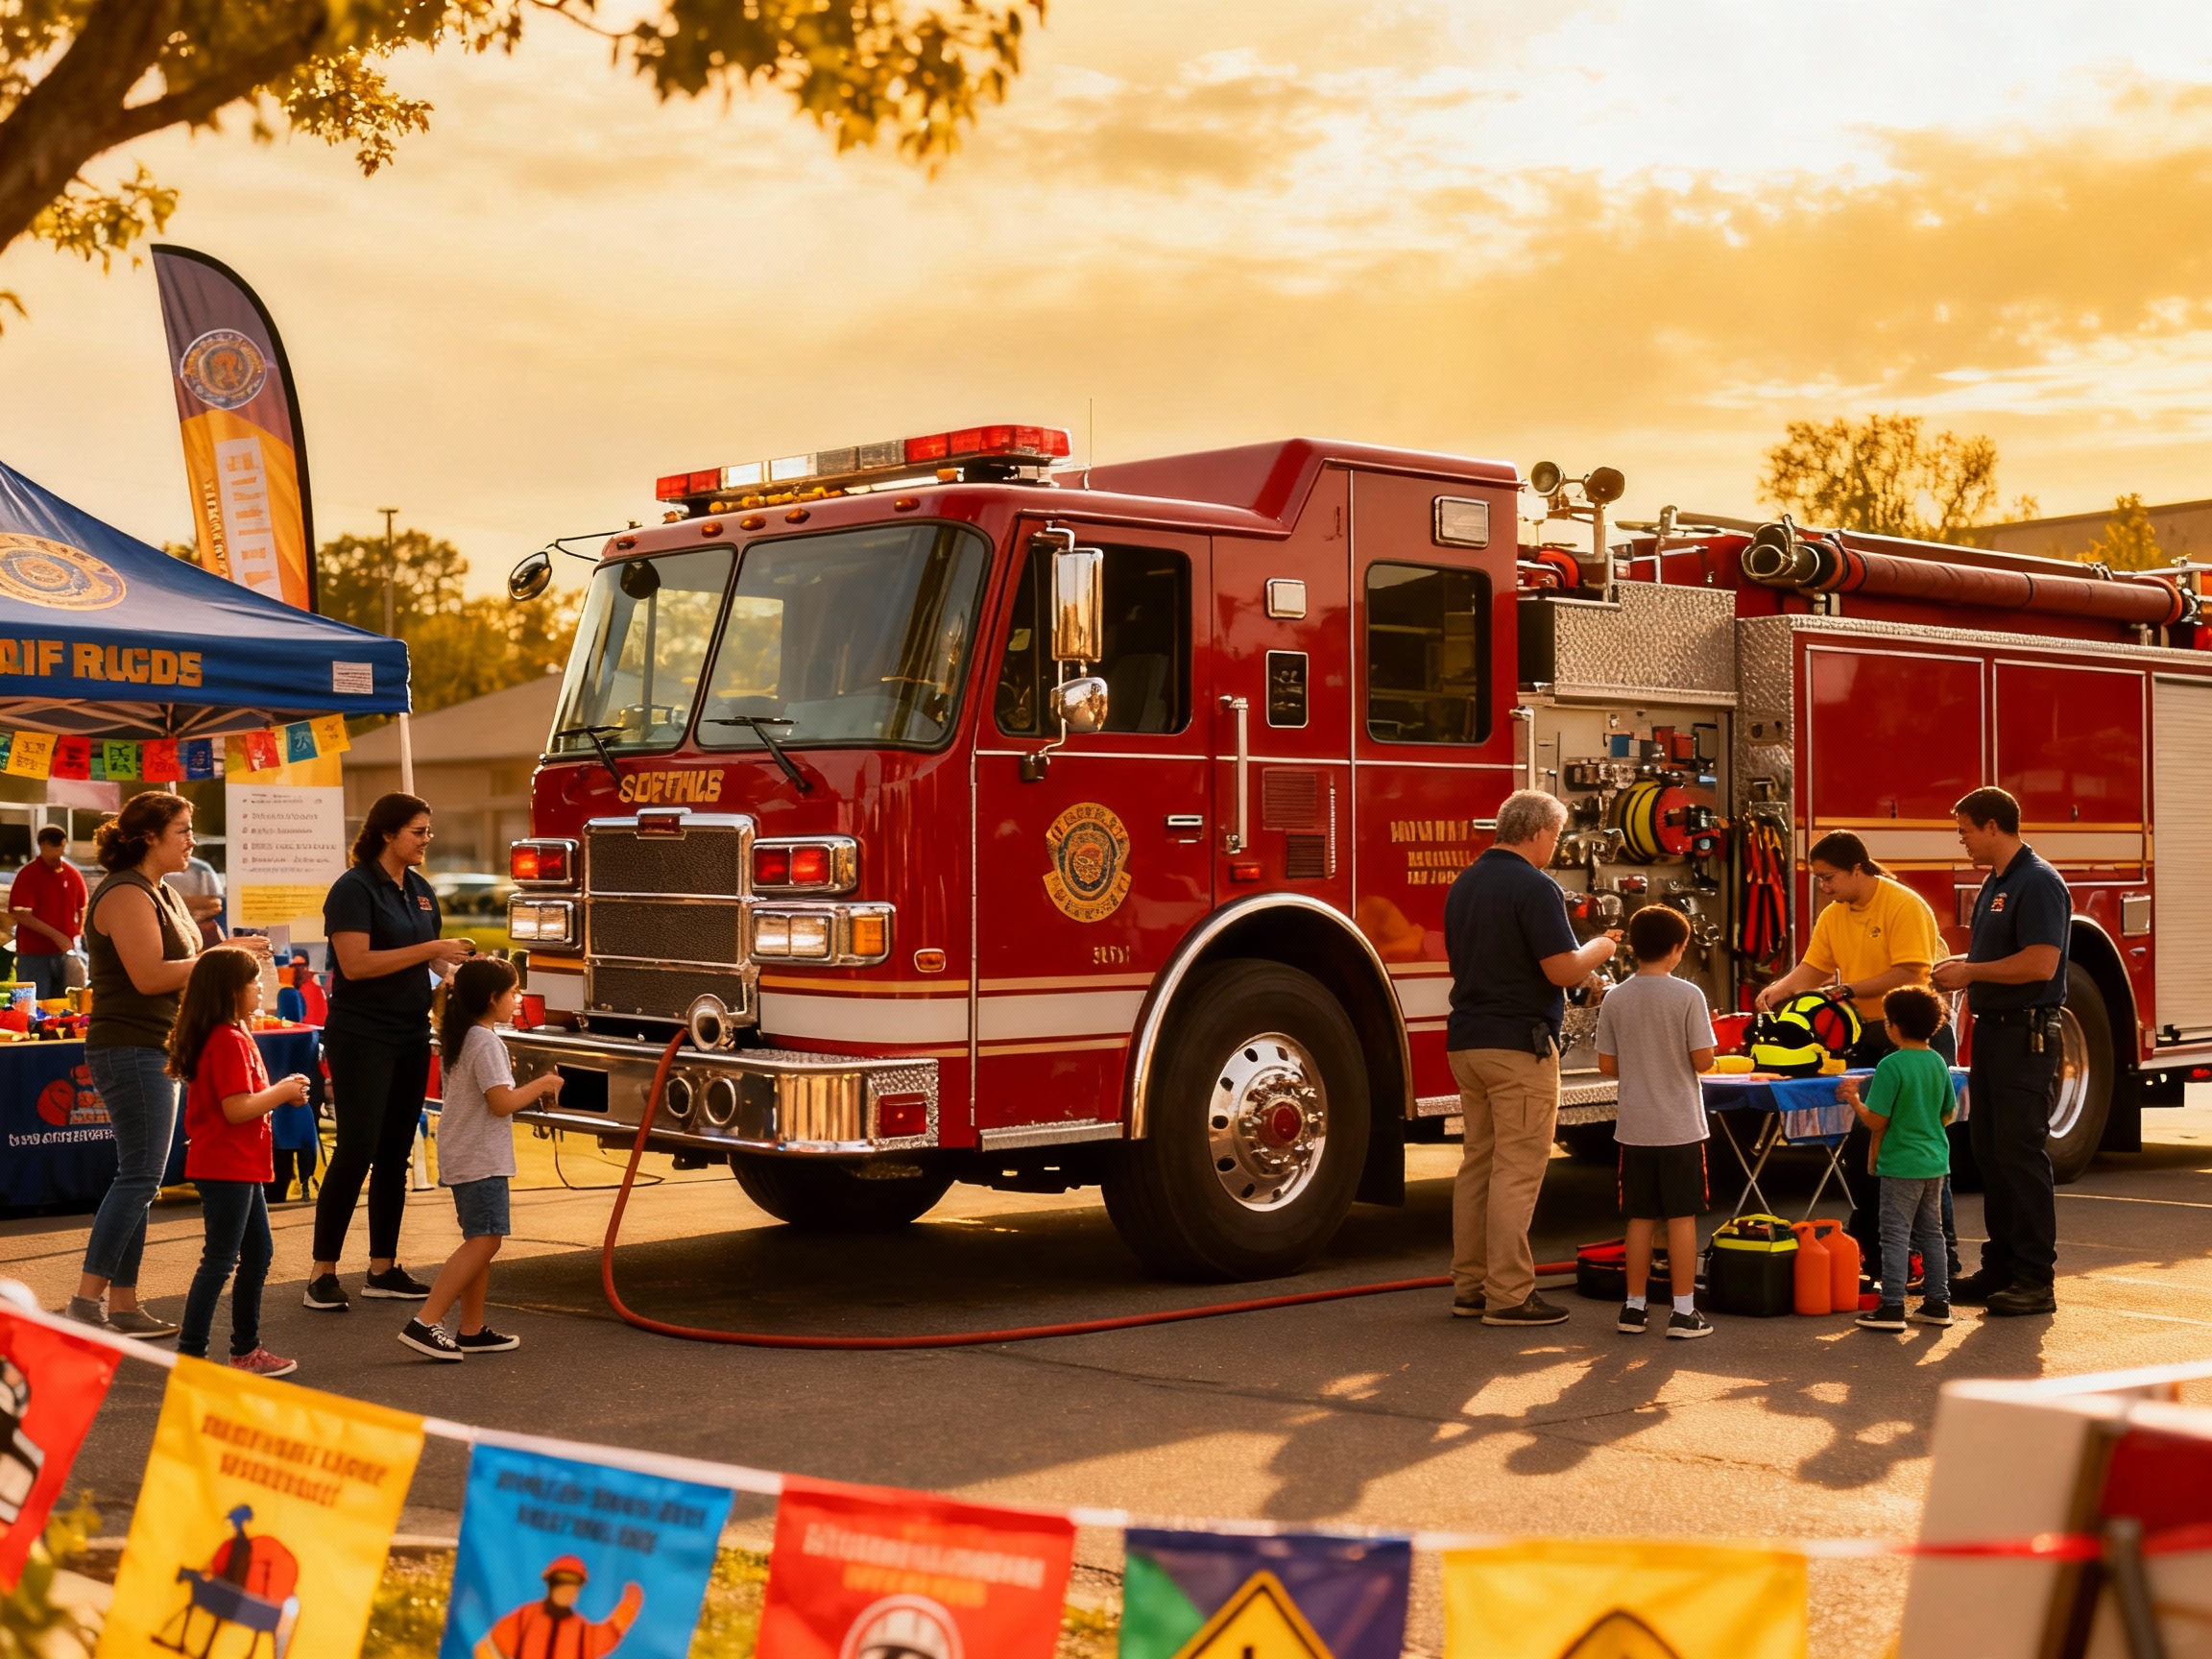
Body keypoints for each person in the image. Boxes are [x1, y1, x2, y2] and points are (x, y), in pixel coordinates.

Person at [67, 793, 270, 1336]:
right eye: (182, 830)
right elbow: (151, 976)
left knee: (139, 1177)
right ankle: (87, 1303)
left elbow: (192, 971)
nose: (191, 840)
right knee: (139, 1177)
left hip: (157, 1047)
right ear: (149, 836)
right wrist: (217, 959)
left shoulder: (166, 893)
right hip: (128, 1047)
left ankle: (126, 1305)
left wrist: (231, 959)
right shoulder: (126, 892)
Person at [1445, 788, 1618, 1328]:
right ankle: (1510, 1296)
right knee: (1517, 1172)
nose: (1556, 846)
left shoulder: (1466, 882)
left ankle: (1469, 1287)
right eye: (1557, 837)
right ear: (1539, 832)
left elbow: (1506, 962)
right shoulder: (1536, 886)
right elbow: (1562, 969)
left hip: (1467, 1042)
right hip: (1519, 1046)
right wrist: (1603, 948)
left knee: (1478, 1166)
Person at [1753, 830, 1958, 1279]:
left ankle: (1942, 1257)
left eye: (1828, 878)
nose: (1823, 888)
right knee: (1869, 1142)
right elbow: (1814, 966)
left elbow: (1911, 972)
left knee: (1920, 1150)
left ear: (1858, 870)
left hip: (1917, 1034)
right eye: (1819, 879)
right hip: (1871, 1032)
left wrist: (1844, 990)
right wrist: (1781, 989)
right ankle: (1878, 1251)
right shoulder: (1834, 914)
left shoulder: (1904, 905)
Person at [306, 793, 472, 1312]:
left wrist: (465, 972)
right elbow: (355, 966)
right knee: (356, 1149)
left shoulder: (420, 890)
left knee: (395, 1154)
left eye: (429, 831)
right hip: (361, 1034)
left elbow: (433, 963)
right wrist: (431, 952)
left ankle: (383, 1267)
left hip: (409, 1032)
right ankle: (322, 1273)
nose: (427, 840)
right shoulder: (353, 888)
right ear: (387, 834)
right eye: (419, 831)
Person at [1934, 786, 2071, 1317]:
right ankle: (2001, 1268)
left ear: (1993, 826)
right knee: (1990, 1151)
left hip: (2026, 1036)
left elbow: (2039, 963)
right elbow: (2004, 955)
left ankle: (2035, 1279)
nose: (1962, 839)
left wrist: (1970, 972)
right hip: (1995, 1034)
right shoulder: (1998, 880)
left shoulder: (2037, 882)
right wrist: (1960, 966)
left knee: (2020, 1155)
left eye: (1965, 829)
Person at [398, 957, 560, 1359]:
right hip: (479, 1156)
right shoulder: (485, 1040)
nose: (517, 998)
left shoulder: (468, 1034)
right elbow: (500, 1102)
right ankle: (426, 1321)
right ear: (492, 998)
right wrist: (543, 1083)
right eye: (513, 992)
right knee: (486, 1241)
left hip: (466, 1151)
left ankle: (471, 1329)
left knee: (479, 1241)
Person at [169, 947, 312, 1377]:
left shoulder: (230, 1033)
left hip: (239, 1163)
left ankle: (244, 1350)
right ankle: (194, 1354)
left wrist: (280, 1093)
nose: (260, 988)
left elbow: (243, 1103)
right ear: (231, 990)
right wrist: (283, 1091)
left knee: (255, 1252)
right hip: (226, 1163)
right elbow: (236, 1108)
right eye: (253, 981)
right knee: (221, 1259)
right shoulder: (227, 1039)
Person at [1596, 904, 1717, 1340]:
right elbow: (1703, 1060)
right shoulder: (1688, 996)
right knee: (1682, 1217)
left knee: (1640, 1218)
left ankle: (1633, 1307)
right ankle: (1683, 1312)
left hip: (1634, 1125)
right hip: (1681, 1125)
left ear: (1633, 946)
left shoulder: (1615, 997)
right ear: (1678, 949)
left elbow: (1608, 1065)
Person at [1839, 985, 1955, 1334]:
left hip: (1900, 1162)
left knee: (1894, 1234)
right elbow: (1947, 1112)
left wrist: (1854, 1100)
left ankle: (1892, 1306)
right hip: (1935, 1160)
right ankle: (1938, 1301)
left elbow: (1877, 1120)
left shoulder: (1890, 1065)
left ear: (1895, 1026)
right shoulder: (1937, 1061)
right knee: (1931, 1233)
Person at [476, 1557, 642, 1659]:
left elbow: (610, 1634)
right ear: (550, 1586)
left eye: (573, 1588)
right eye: (562, 1586)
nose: (567, 1593)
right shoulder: (524, 1618)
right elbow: (486, 1649)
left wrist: (630, 1606)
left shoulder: (582, 1631)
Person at [10, 826, 87, 1001]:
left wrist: (77, 933)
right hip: (33, 955)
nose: (59, 854)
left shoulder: (71, 874)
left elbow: (82, 907)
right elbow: (21, 914)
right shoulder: (28, 874)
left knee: (65, 1008)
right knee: (32, 1007)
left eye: (62, 848)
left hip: (65, 955)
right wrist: (56, 936)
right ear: (43, 846)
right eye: (55, 849)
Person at [163, 854, 227, 950]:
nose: (191, 842)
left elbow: (217, 904)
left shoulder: (200, 868)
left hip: (200, 934)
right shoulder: (148, 871)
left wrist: (196, 916)